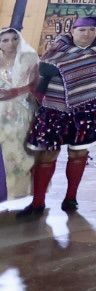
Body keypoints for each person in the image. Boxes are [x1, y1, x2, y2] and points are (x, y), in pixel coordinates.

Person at [17, 16, 96, 218]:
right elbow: (46, 68)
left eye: (92, 30)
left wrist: (68, 67)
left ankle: (71, 198)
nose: (87, 34)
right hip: (55, 108)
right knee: (47, 153)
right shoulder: (58, 48)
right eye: (82, 30)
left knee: (78, 153)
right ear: (73, 31)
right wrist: (79, 64)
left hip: (88, 109)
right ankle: (37, 202)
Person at [0, 28, 40, 204]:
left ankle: (21, 191)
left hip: (21, 108)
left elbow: (36, 83)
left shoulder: (29, 58)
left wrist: (15, 92)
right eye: (5, 40)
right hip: (1, 109)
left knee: (19, 151)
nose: (10, 43)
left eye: (14, 39)